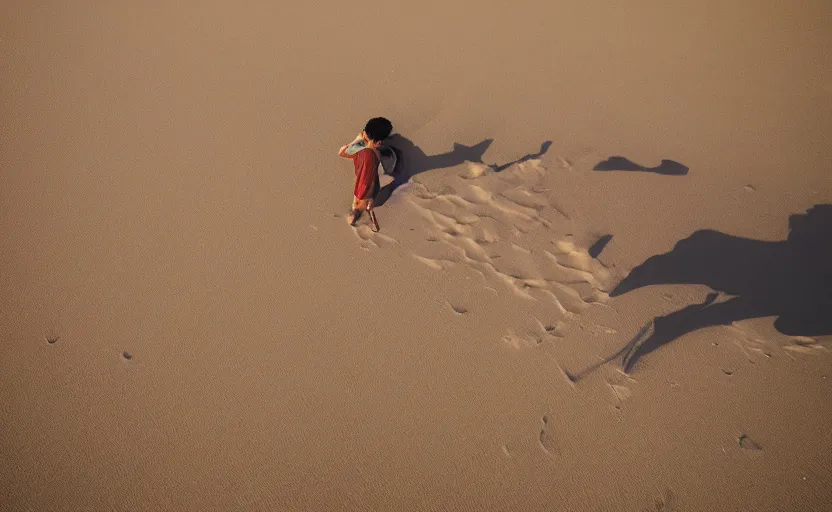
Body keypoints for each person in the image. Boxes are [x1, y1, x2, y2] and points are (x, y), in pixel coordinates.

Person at [338, 117, 393, 231]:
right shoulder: (371, 156)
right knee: (359, 208)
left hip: (363, 184)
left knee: (360, 204)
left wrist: (357, 140)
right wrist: (368, 198)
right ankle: (358, 215)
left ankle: (360, 211)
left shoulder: (359, 147)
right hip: (364, 191)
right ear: (379, 143)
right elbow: (367, 181)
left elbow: (342, 152)